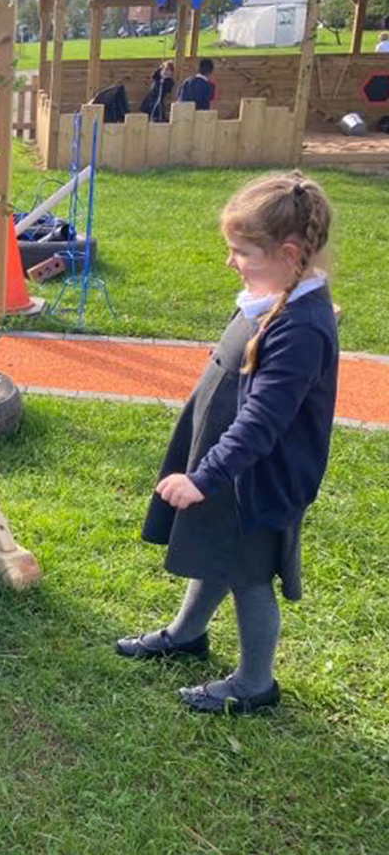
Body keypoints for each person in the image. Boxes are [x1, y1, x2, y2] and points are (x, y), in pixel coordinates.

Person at [116, 173, 339, 714]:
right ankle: (187, 634)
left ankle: (255, 682)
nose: (230, 262)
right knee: (219, 553)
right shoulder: (271, 299)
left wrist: (203, 477)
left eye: (240, 251)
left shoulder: (299, 327)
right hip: (226, 464)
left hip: (255, 475)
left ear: (288, 253)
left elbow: (264, 419)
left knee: (248, 575)